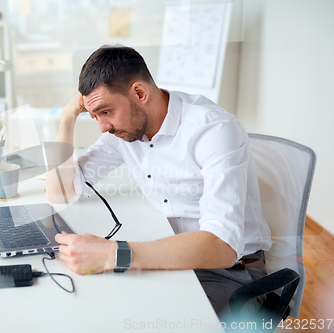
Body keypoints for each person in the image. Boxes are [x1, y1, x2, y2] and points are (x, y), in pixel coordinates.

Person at [45, 45, 272, 316]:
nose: (103, 127)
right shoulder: (123, 132)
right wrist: (66, 118)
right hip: (171, 257)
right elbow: (60, 192)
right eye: (94, 116)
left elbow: (222, 245)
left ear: (139, 93)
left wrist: (113, 253)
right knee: (98, 309)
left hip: (232, 273)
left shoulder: (212, 129)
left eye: (106, 112)